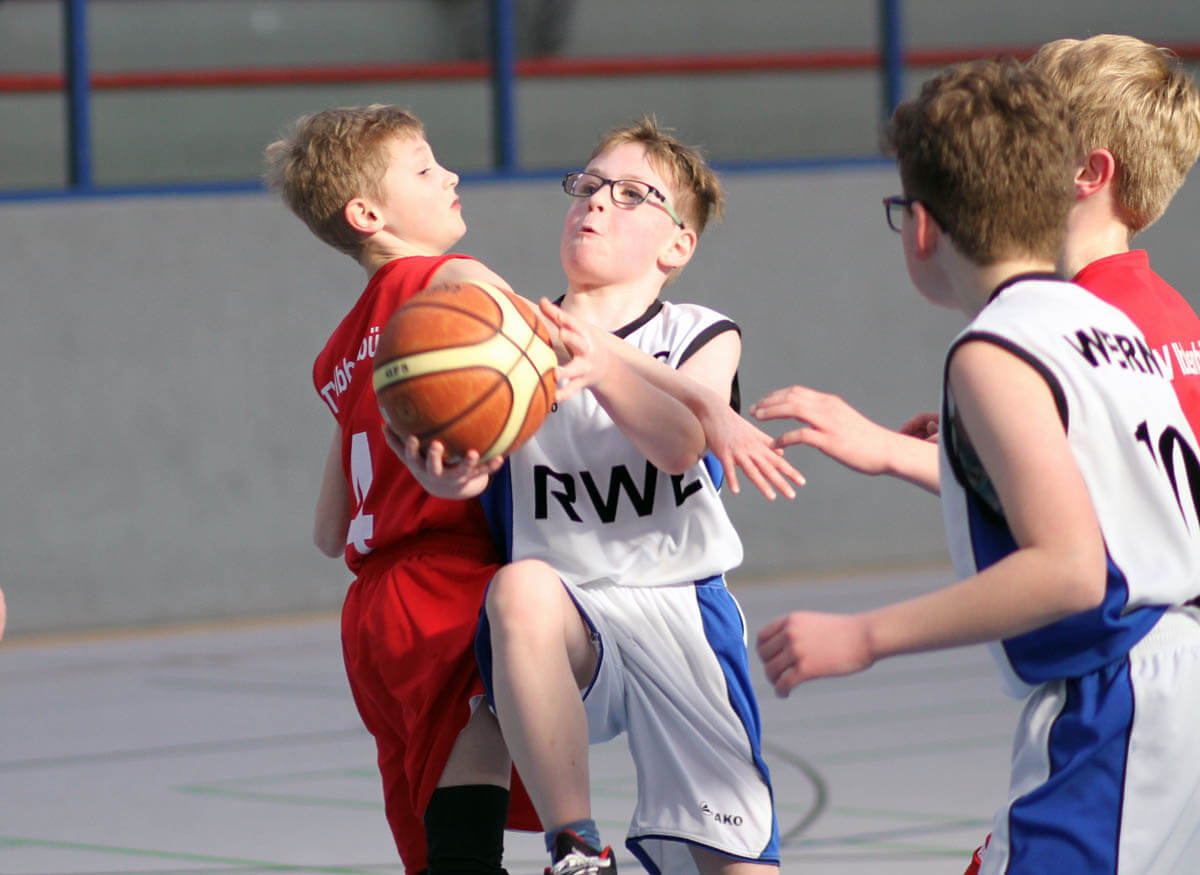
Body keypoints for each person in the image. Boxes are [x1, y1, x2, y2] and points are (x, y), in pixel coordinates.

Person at [756, 57, 1200, 874]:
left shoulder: (993, 350)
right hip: (1161, 682)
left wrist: (864, 634)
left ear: (921, 226)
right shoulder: (1107, 327)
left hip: (1121, 694)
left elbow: (1072, 569)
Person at [397, 115, 783, 874]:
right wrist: (445, 471)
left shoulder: (698, 331)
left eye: (633, 194)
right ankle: (576, 847)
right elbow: (478, 469)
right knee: (519, 589)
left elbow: (681, 443)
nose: (598, 202)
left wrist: (599, 363)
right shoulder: (505, 338)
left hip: (681, 612)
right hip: (572, 618)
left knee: (739, 863)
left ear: (678, 244)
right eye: (589, 185)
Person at [263, 104, 539, 874]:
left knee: (434, 849)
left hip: (370, 614)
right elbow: (549, 364)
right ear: (367, 212)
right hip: (446, 585)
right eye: (424, 168)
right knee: (467, 850)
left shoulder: (337, 354)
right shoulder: (450, 281)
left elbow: (328, 529)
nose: (449, 175)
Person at [751, 34, 1200, 499]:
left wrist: (884, 448)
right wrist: (988, 434)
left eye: (1028, 138)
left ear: (1088, 172)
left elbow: (1059, 496)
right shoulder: (1170, 312)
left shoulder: (1080, 324)